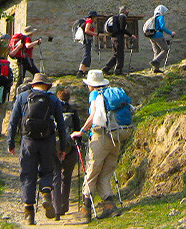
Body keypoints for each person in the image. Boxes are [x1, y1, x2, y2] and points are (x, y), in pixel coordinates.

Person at [71, 70, 133, 221]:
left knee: (92, 172)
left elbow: (93, 116)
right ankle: (110, 207)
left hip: (101, 137)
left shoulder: (94, 94)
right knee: (105, 174)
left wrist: (80, 132)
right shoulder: (112, 93)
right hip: (116, 136)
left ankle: (85, 211)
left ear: (90, 85)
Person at [8, 73, 68, 225]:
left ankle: (29, 212)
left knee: (27, 174)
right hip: (47, 141)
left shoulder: (22, 97)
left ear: (33, 84)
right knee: (47, 171)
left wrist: (11, 142)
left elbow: (13, 121)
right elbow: (61, 125)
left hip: (28, 141)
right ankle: (46, 193)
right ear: (46, 85)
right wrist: (62, 147)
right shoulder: (53, 99)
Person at [52, 87, 82, 220]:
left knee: (56, 176)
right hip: (70, 148)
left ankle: (56, 207)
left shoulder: (53, 110)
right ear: (69, 99)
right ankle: (65, 205)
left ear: (58, 98)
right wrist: (79, 144)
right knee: (67, 177)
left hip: (55, 147)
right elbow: (77, 130)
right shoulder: (73, 111)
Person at [101, 6, 136, 76]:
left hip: (113, 37)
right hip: (118, 38)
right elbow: (122, 29)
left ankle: (106, 69)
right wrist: (130, 34)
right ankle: (118, 71)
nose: (128, 12)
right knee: (120, 54)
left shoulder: (116, 18)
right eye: (127, 10)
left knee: (116, 54)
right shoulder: (122, 17)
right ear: (124, 11)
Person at [147, 5, 174, 73]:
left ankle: (156, 68)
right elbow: (162, 27)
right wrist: (171, 33)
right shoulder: (160, 17)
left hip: (152, 36)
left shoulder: (154, 18)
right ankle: (155, 61)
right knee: (165, 49)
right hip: (158, 35)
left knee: (157, 51)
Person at [77, 11, 99, 78]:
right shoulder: (89, 21)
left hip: (88, 41)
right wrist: (96, 34)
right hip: (86, 41)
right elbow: (86, 30)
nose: (96, 18)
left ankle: (83, 72)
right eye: (95, 17)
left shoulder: (89, 22)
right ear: (93, 17)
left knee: (88, 56)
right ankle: (80, 72)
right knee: (86, 56)